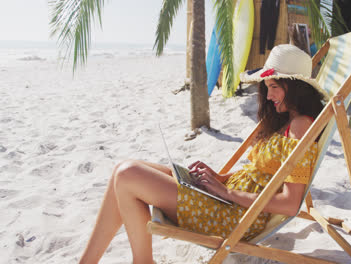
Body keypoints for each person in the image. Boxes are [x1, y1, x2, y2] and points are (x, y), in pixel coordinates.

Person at [79, 44, 329, 264]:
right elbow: (260, 175)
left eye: (274, 86)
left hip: (233, 218)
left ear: (295, 87)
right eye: (266, 87)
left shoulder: (300, 127)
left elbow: (290, 203)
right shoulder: (286, 121)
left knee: (127, 175)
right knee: (121, 172)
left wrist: (226, 192)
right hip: (226, 202)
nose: (269, 95)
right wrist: (219, 178)